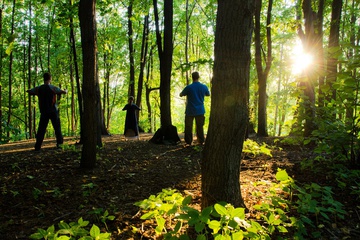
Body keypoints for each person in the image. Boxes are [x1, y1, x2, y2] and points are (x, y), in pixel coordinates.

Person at [27, 72, 67, 151]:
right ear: (50, 78)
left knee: (41, 129)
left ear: (44, 79)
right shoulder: (53, 88)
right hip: (53, 111)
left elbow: (29, 91)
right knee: (57, 128)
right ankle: (60, 145)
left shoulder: (39, 88)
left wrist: (36, 93)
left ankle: (37, 146)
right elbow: (62, 92)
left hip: (44, 112)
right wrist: (66, 90)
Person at [179, 71, 210, 145]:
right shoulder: (204, 86)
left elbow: (181, 94)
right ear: (198, 77)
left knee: (188, 127)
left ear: (192, 77)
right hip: (200, 110)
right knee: (200, 127)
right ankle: (201, 141)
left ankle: (189, 142)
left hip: (190, 110)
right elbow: (208, 94)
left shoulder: (189, 87)